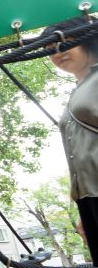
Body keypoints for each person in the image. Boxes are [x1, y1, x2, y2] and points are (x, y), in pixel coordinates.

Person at [46, 17, 98, 255]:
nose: (58, 52)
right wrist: (84, 211)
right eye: (50, 50)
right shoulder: (81, 87)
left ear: (87, 38)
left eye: (66, 43)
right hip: (89, 195)